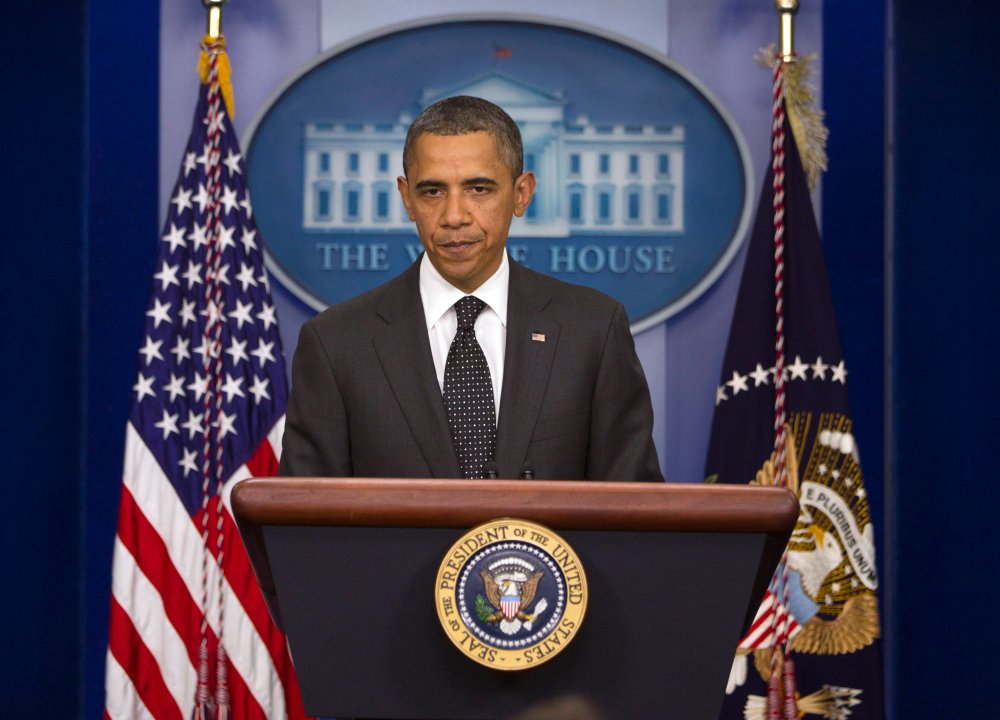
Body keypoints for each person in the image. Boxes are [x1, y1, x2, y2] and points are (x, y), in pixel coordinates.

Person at [279, 95, 662, 482]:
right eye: (433, 192)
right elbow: (305, 524)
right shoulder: (336, 344)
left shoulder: (592, 331)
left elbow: (635, 516)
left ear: (522, 193)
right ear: (406, 197)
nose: (454, 217)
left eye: (479, 189)